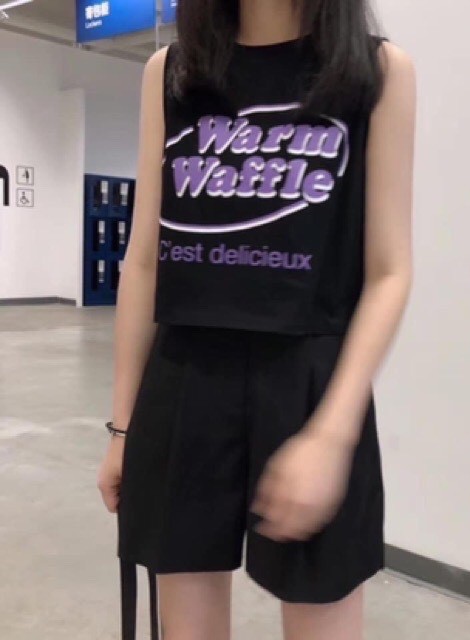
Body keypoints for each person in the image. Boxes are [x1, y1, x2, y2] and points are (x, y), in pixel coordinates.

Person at [96, 0, 416, 638]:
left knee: (322, 614)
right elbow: (145, 262)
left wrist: (331, 435)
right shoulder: (171, 72)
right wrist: (123, 427)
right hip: (184, 375)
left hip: (310, 379)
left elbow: (389, 272)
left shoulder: (377, 73)